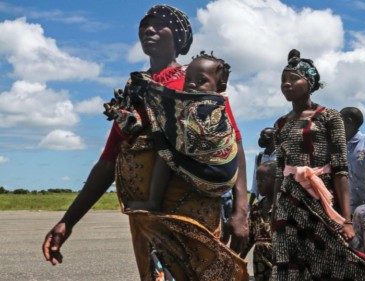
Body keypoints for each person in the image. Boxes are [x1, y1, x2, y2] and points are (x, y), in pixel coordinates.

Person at [42, 5, 249, 281]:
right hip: (146, 218)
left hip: (192, 213)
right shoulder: (135, 91)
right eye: (144, 25)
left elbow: (233, 143)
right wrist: (67, 222)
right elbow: (107, 162)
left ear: (178, 36)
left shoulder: (197, 85)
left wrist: (240, 209)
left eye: (159, 23)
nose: (148, 29)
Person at [272, 49, 365, 281]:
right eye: (282, 81)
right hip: (288, 204)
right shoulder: (280, 124)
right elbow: (280, 171)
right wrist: (274, 213)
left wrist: (346, 220)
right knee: (288, 263)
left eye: (293, 79)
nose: (286, 84)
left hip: (321, 201)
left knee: (332, 260)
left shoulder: (329, 117)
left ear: (309, 83)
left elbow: (340, 169)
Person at [123, 51, 238, 211]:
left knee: (164, 142)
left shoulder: (203, 108)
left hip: (213, 176)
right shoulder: (219, 106)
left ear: (220, 86)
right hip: (226, 177)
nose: (191, 84)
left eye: (201, 81)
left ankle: (153, 203)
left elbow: (167, 112)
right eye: (188, 79)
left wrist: (150, 89)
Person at [242, 161, 276, 281]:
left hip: (279, 268)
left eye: (262, 180)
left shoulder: (283, 208)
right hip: (260, 270)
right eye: (257, 180)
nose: (258, 183)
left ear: (276, 180)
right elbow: (249, 239)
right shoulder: (256, 208)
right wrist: (238, 259)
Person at [249, 127, 276, 205]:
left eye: (263, 137)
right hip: (263, 200)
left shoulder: (281, 155)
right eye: (260, 136)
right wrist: (250, 203)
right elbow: (255, 180)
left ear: (273, 138)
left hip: (278, 199)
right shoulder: (259, 157)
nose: (261, 139)